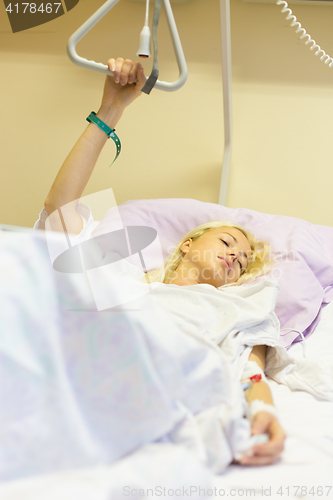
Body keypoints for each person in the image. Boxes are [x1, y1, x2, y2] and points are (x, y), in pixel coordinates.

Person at [38, 57, 286, 466]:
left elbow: (251, 371)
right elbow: (59, 208)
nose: (233, 257)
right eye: (227, 241)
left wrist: (265, 411)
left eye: (242, 262)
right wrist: (110, 112)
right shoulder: (121, 275)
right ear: (187, 245)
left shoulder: (238, 306)